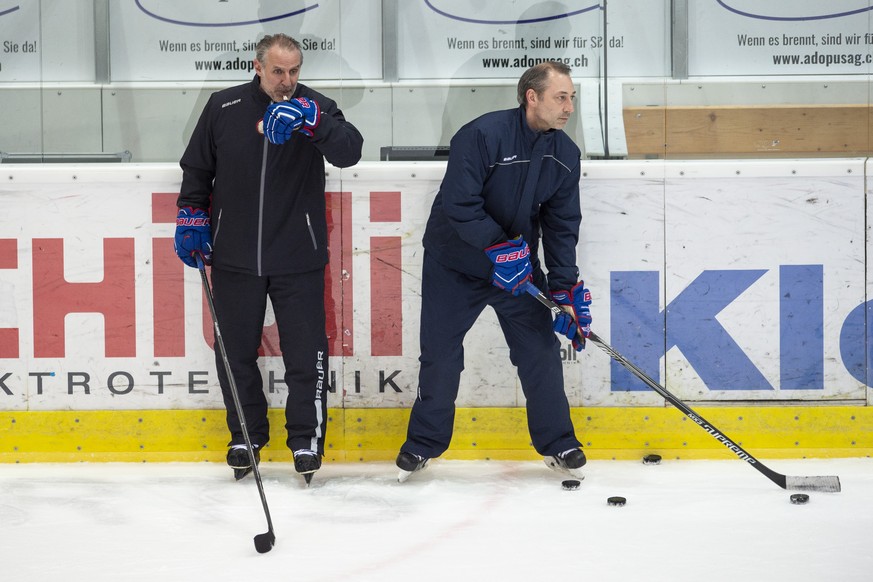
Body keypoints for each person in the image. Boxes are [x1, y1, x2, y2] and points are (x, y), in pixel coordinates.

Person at [174, 33, 363, 484]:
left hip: (297, 254)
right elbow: (198, 168)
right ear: (257, 67)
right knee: (234, 352)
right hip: (234, 255)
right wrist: (191, 216)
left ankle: (305, 440)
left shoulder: (315, 105)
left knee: (306, 354)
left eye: (295, 71)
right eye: (278, 71)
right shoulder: (224, 106)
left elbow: (349, 151)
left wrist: (314, 122)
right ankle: (246, 436)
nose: (288, 81)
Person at [396, 61, 592, 482]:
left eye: (572, 97)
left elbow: (561, 227)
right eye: (561, 97)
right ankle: (423, 445)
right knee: (441, 355)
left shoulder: (565, 155)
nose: (569, 107)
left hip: (516, 271)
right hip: (456, 264)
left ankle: (559, 441)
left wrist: (564, 289)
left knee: (539, 352)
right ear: (531, 97)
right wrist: (499, 248)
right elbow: (459, 203)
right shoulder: (481, 135)